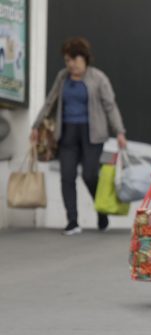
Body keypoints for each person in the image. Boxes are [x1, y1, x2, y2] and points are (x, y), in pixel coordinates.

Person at [30, 37, 127, 235]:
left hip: (92, 134)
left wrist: (120, 131)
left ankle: (101, 210)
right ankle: (72, 221)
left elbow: (110, 106)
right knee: (67, 176)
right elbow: (50, 102)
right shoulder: (62, 77)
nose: (71, 64)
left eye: (75, 59)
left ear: (85, 59)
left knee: (90, 175)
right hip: (67, 134)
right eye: (67, 60)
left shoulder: (98, 78)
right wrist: (36, 125)